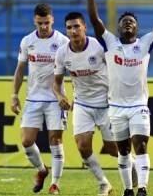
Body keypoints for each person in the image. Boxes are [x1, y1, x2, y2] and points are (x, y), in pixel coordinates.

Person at [85, 0, 153, 196]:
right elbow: (94, 20)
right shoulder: (110, 43)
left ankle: (143, 189)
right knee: (123, 150)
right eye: (124, 22)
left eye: (132, 22)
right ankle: (128, 190)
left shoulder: (145, 44)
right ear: (119, 28)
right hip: (116, 107)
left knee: (140, 146)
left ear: (137, 29)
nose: (128, 24)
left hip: (139, 105)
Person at [53, 11, 121, 196]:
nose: (73, 31)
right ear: (66, 31)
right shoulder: (62, 53)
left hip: (106, 103)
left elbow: (116, 69)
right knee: (83, 146)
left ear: (84, 27)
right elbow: (56, 83)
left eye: (76, 26)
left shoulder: (99, 46)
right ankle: (104, 183)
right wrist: (60, 97)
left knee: (113, 150)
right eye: (69, 27)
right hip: (82, 104)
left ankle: (129, 163)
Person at [10, 3, 69, 194]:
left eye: (46, 23)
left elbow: (74, 68)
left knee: (55, 140)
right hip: (33, 98)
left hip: (55, 98)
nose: (43, 27)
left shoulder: (62, 41)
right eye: (39, 23)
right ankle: (42, 170)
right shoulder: (28, 41)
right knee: (26, 141)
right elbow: (20, 70)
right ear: (35, 21)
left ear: (52, 20)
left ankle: (55, 184)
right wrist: (14, 95)